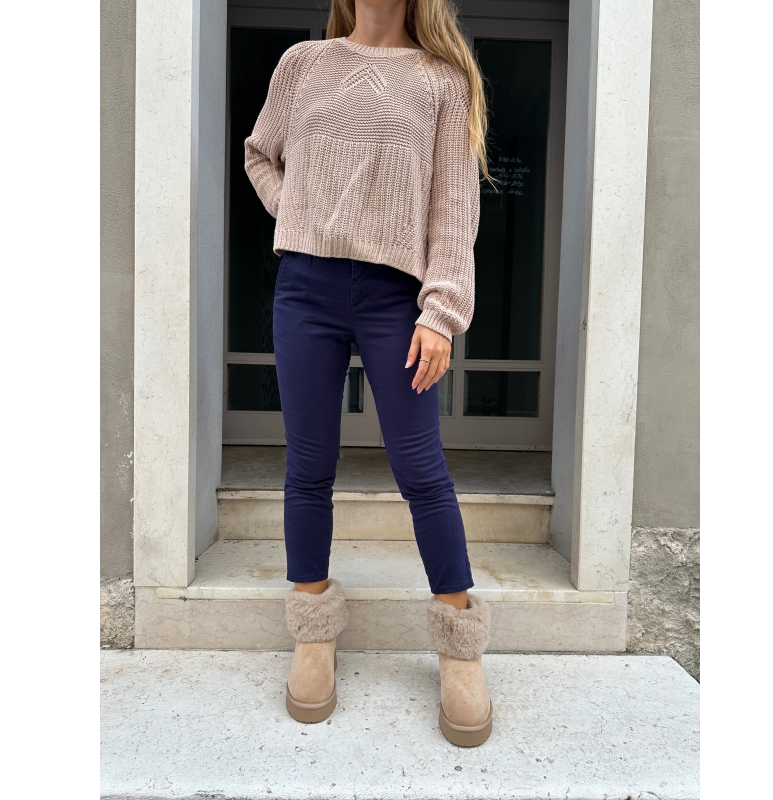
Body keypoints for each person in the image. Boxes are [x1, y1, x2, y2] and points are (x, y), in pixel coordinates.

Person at [244, 0, 495, 747]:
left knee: (420, 467)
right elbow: (260, 153)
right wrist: (296, 210)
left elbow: (455, 206)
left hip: (397, 298)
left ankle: (460, 642)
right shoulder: (303, 65)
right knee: (308, 462)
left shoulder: (443, 79)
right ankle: (313, 630)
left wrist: (441, 311)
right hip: (306, 288)